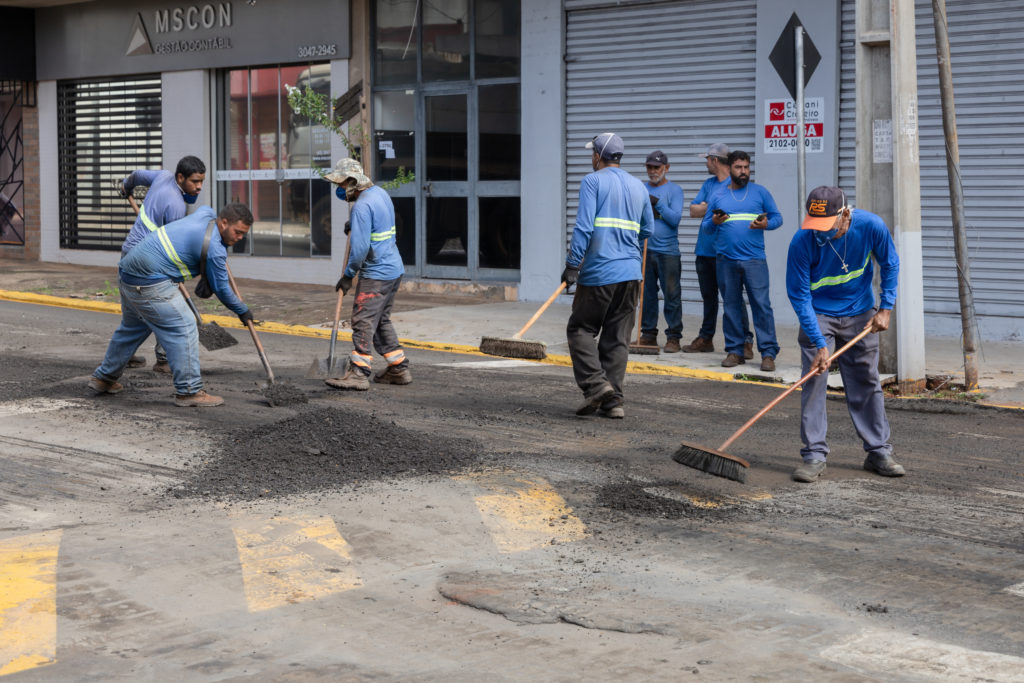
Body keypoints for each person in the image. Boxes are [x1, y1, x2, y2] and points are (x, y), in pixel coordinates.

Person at [786, 186, 904, 483]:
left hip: (860, 312)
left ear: (845, 215)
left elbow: (890, 263)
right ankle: (813, 454)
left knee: (866, 379)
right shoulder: (802, 242)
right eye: (815, 226)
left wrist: (886, 308)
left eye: (826, 226)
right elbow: (799, 297)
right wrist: (817, 342)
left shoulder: (870, 226)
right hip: (819, 314)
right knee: (814, 379)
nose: (820, 233)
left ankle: (878, 451)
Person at [88, 203, 254, 407]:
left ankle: (104, 378)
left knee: (133, 328)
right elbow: (222, 290)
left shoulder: (206, 215)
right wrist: (243, 311)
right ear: (224, 222)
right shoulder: (215, 250)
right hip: (149, 282)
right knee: (184, 326)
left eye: (243, 235)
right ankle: (189, 390)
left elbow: (205, 207)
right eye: (237, 232)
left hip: (127, 274)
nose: (239, 238)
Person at [564, 132, 654, 419]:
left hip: (600, 271)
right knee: (617, 338)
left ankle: (595, 386)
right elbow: (647, 230)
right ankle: (613, 402)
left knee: (580, 329)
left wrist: (572, 264)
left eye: (592, 153)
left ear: (597, 156)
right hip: (630, 273)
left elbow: (583, 228)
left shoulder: (593, 181)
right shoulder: (638, 185)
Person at [323, 158, 410, 391]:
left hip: (377, 274)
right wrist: (354, 224)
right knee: (381, 319)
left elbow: (360, 249)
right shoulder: (380, 194)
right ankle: (398, 368)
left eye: (341, 185)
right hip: (394, 269)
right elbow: (376, 224)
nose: (339, 190)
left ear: (352, 183)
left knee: (362, 320)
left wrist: (348, 275)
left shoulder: (361, 206)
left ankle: (359, 373)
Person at [114, 156, 207, 373]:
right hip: (148, 261)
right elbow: (172, 248)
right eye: (194, 182)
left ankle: (123, 356)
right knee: (166, 308)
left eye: (202, 181)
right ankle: (163, 360)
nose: (199, 187)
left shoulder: (163, 176)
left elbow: (136, 175)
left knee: (133, 315)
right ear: (181, 177)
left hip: (128, 254)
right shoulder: (175, 205)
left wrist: (126, 187)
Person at [707, 150, 782, 372]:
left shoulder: (760, 193)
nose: (743, 171)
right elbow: (706, 228)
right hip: (726, 261)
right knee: (731, 307)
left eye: (747, 167)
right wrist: (714, 221)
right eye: (739, 167)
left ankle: (768, 353)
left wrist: (765, 224)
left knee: (762, 306)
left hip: (754, 261)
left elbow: (778, 218)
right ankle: (735, 351)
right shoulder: (718, 195)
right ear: (729, 168)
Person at [683, 143, 753, 359]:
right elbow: (693, 210)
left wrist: (708, 205)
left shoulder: (737, 186)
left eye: (707, 159)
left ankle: (745, 341)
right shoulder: (709, 184)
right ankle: (706, 338)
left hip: (728, 253)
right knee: (709, 297)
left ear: (714, 160)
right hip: (704, 250)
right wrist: (711, 206)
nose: (706, 163)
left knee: (733, 298)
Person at [638, 150, 685, 353]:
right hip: (645, 250)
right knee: (646, 295)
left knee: (672, 295)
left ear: (666, 168)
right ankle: (648, 335)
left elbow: (675, 219)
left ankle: (673, 337)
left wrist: (658, 204)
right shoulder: (640, 189)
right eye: (649, 167)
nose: (652, 171)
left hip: (668, 252)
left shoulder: (675, 190)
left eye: (656, 167)